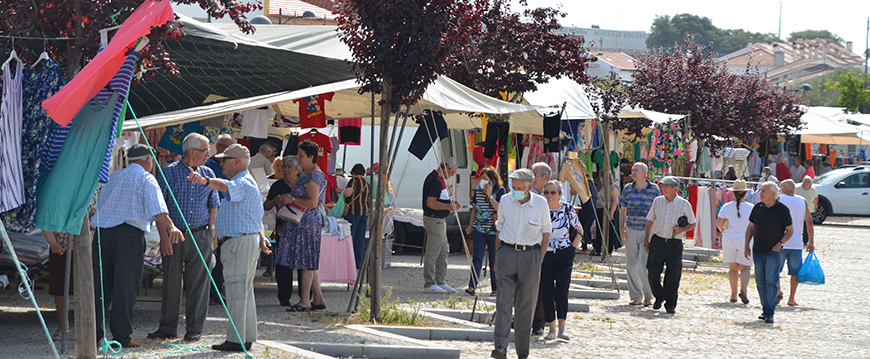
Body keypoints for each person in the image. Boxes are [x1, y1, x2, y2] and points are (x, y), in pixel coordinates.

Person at [94, 144, 184, 348]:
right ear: (148, 160)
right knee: (125, 287)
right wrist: (172, 227)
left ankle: (94, 334)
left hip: (102, 234)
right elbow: (157, 208)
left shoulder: (114, 176)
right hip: (128, 235)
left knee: (101, 286)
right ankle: (121, 336)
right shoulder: (146, 178)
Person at [187, 143, 272, 351]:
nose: (221, 163)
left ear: (237, 161)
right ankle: (245, 337)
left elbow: (224, 186)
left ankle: (236, 340)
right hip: (241, 242)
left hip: (239, 243)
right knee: (243, 291)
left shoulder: (241, 181)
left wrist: (204, 180)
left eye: (224, 160)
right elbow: (256, 216)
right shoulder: (246, 182)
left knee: (236, 291)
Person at [148, 133, 219, 343]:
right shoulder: (168, 173)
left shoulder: (207, 173)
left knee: (199, 283)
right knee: (171, 282)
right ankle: (168, 327)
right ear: (192, 152)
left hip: (201, 233)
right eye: (205, 151)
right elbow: (159, 208)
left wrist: (212, 230)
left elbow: (213, 203)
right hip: (174, 234)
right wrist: (164, 237)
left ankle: (195, 328)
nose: (209, 155)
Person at [491, 169, 551, 359]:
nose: (515, 191)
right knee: (503, 304)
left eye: (519, 188)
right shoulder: (506, 201)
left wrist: (539, 258)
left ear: (529, 187)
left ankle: (522, 352)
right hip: (507, 253)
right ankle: (500, 347)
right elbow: (499, 229)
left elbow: (546, 233)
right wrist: (496, 258)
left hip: (530, 256)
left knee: (526, 308)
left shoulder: (541, 204)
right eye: (513, 187)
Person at [277, 141, 328, 312]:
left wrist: (291, 199)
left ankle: (305, 300)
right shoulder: (310, 173)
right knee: (309, 261)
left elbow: (312, 203)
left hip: (306, 222)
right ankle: (318, 298)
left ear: (311, 157)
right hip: (305, 221)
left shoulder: (313, 176)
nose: (298, 159)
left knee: (306, 261)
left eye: (301, 156)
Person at [644, 176, 696, 314]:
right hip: (658, 240)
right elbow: (650, 220)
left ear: (675, 188)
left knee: (673, 275)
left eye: (667, 186)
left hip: (674, 243)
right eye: (663, 186)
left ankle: (670, 304)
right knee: (652, 273)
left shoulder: (684, 204)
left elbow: (693, 223)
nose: (664, 188)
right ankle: (659, 296)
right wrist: (646, 240)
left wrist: (682, 230)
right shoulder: (657, 201)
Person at [745, 181, 793, 324]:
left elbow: (790, 230)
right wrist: (746, 244)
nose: (760, 193)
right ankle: (765, 308)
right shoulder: (757, 208)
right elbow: (750, 228)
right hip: (758, 250)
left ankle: (769, 312)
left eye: (764, 191)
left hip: (774, 251)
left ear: (773, 194)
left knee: (771, 281)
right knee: (760, 281)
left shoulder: (782, 210)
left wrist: (780, 244)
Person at [539, 181, 582, 341]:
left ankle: (562, 328)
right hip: (545, 253)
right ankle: (551, 328)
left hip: (564, 252)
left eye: (553, 192)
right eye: (546, 192)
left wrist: (573, 248)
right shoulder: (540, 209)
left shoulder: (567, 208)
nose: (549, 195)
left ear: (559, 194)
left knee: (562, 290)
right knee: (546, 289)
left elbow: (579, 229)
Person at [263, 156, 304, 305]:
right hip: (282, 228)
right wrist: (275, 201)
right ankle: (284, 297)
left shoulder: (304, 184)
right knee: (283, 263)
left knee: (302, 262)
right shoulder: (277, 185)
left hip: (302, 228)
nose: (285, 169)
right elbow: (265, 205)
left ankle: (304, 296)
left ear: (297, 169)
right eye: (283, 166)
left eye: (289, 166)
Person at [618, 162, 659, 306]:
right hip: (631, 228)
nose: (633, 172)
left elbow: (658, 210)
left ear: (644, 174)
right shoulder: (628, 189)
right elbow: (623, 210)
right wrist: (621, 230)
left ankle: (648, 294)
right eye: (633, 170)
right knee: (631, 264)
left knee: (643, 263)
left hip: (648, 230)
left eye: (636, 170)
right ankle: (636, 296)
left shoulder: (654, 189)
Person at [421, 158, 461, 294]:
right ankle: (430, 283)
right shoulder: (435, 180)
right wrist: (448, 206)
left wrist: (451, 203)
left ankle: (440, 281)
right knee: (433, 251)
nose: (452, 175)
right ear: (445, 168)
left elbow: (439, 199)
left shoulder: (440, 179)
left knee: (444, 250)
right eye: (451, 172)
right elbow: (430, 203)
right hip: (434, 219)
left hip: (440, 219)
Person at [464, 166, 506, 297]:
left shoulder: (500, 191)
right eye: (481, 178)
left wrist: (490, 195)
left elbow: (501, 210)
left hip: (494, 230)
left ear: (492, 180)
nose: (482, 181)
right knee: (477, 257)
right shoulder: (477, 191)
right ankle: (472, 286)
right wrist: (470, 225)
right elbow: (475, 209)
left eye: (485, 179)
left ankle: (495, 288)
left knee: (494, 259)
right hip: (479, 228)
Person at [205, 134, 234, 304]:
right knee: (211, 256)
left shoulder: (231, 166)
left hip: (226, 217)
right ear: (218, 147)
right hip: (212, 217)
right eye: (226, 148)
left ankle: (216, 292)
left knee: (221, 258)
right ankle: (208, 293)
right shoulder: (208, 166)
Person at [715, 179, 754, 304]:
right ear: (745, 193)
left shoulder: (726, 207)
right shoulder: (751, 208)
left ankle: (733, 294)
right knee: (745, 268)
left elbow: (718, 223)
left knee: (732, 269)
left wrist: (724, 232)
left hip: (729, 238)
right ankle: (743, 289)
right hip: (745, 239)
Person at [779, 180, 815, 307]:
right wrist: (811, 241)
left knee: (775, 269)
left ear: (783, 188)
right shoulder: (802, 201)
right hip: (796, 243)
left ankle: (777, 291)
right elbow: (809, 223)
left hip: (780, 241)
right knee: (795, 272)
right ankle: (791, 298)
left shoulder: (778, 199)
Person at [529, 162, 552, 335]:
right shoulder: (525, 194)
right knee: (524, 285)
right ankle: (525, 318)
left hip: (543, 248)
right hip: (525, 246)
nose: (532, 176)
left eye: (535, 173)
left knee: (541, 285)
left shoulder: (551, 195)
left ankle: (539, 322)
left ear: (545, 177)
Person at [343, 164, 371, 269]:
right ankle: (358, 262)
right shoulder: (367, 184)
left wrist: (342, 193)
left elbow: (348, 194)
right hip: (364, 213)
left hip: (353, 212)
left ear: (354, 173)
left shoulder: (353, 181)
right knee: (360, 238)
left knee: (351, 237)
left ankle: (349, 261)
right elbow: (368, 201)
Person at [593, 172, 620, 256]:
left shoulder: (613, 186)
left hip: (609, 210)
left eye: (602, 177)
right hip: (600, 210)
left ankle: (609, 251)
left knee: (609, 231)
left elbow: (615, 201)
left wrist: (611, 213)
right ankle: (598, 249)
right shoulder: (603, 186)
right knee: (599, 230)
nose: (601, 179)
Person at [794, 176, 818, 245]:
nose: (807, 183)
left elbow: (816, 197)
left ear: (811, 183)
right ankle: (798, 239)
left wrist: (815, 206)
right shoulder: (798, 189)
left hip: (809, 210)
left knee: (807, 225)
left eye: (808, 182)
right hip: (799, 210)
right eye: (805, 181)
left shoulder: (813, 190)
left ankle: (805, 240)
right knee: (799, 225)